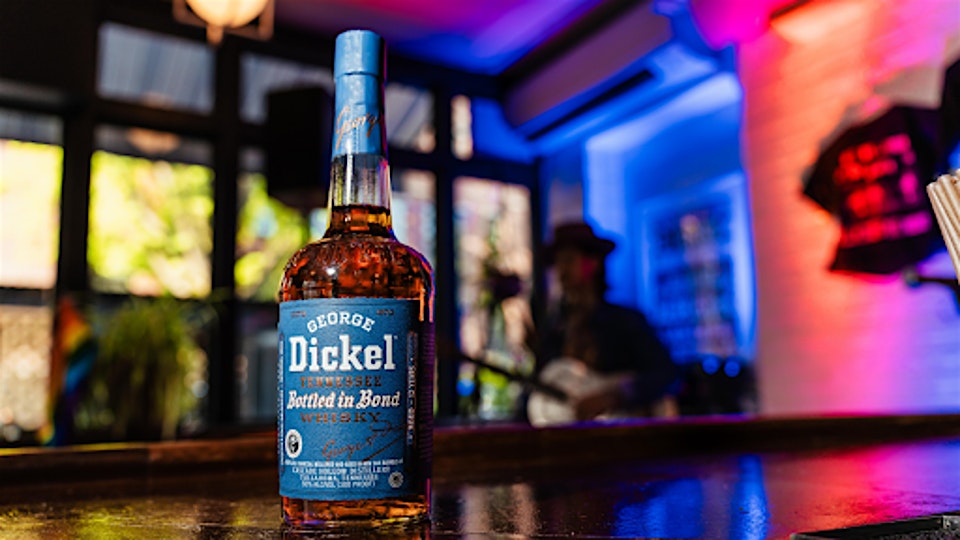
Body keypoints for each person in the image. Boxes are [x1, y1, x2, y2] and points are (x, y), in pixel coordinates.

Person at [530, 221, 678, 423]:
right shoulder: (554, 329)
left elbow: (666, 374)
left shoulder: (624, 321)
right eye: (558, 263)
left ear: (593, 263)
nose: (561, 271)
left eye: (569, 260)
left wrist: (614, 396)